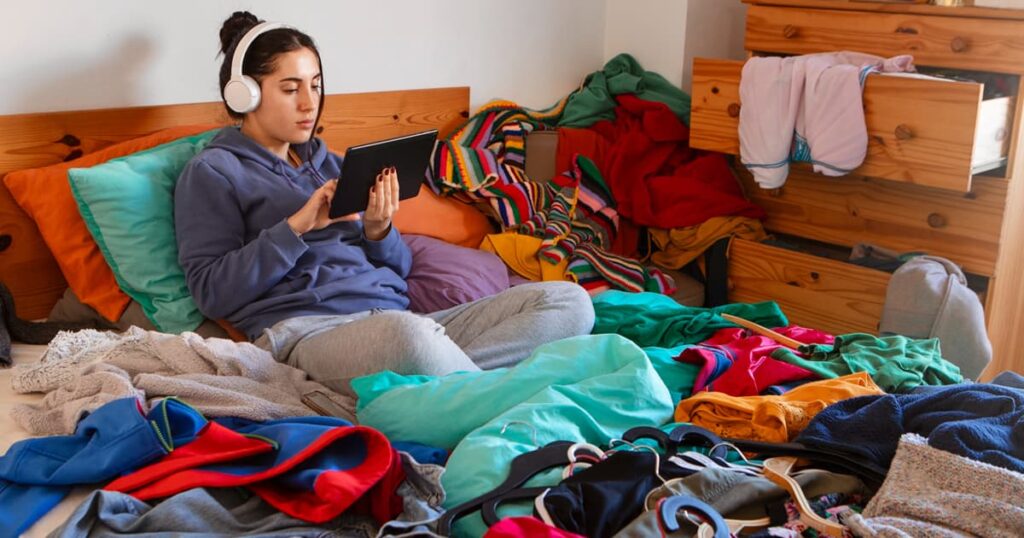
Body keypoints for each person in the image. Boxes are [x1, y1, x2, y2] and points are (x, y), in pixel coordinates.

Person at [174, 11, 594, 393]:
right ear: (244, 95)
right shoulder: (213, 172)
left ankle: (459, 388)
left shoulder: (333, 164)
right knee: (408, 338)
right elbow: (212, 293)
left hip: (403, 321)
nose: (309, 103)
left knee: (567, 302)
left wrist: (379, 231)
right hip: (313, 332)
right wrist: (296, 227)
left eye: (316, 86)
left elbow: (399, 267)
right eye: (290, 89)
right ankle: (490, 388)